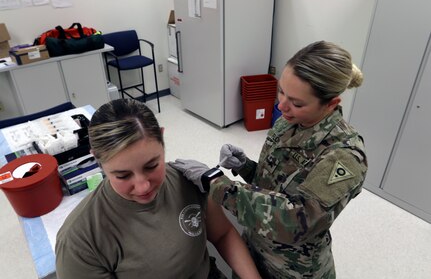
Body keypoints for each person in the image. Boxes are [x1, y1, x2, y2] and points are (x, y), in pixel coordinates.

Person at [170, 40, 368, 278]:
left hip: (292, 269)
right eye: (282, 91)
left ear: (331, 103)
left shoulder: (345, 155)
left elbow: (299, 219)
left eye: (296, 102)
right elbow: (274, 184)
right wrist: (245, 167)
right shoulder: (288, 122)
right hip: (254, 246)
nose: (281, 105)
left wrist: (216, 182)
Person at [55, 99, 261, 279]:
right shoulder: (80, 240)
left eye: (152, 165)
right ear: (97, 160)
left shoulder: (188, 181)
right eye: (123, 175)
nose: (143, 186)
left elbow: (222, 234)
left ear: (162, 138)